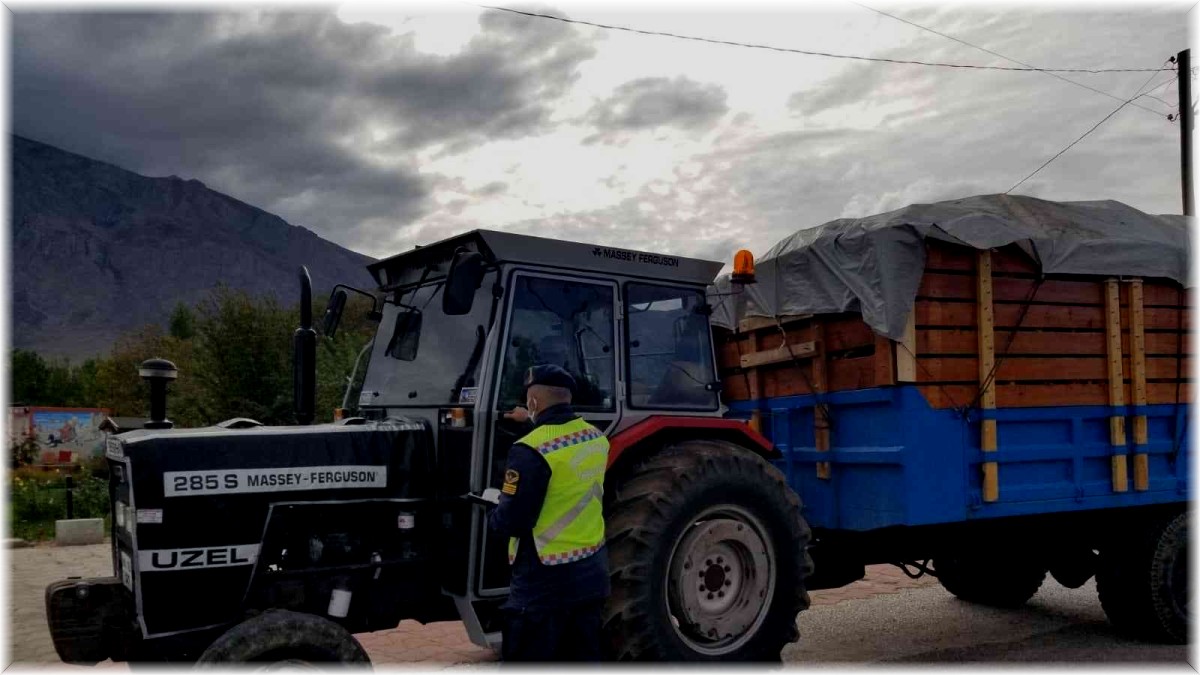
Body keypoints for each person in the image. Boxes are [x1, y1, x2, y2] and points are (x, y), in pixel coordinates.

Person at [486, 364, 610, 662]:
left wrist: (493, 509)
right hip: (591, 573)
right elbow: (563, 463)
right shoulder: (595, 437)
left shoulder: (528, 450)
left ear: (533, 402)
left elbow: (513, 521)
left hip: (543, 582)